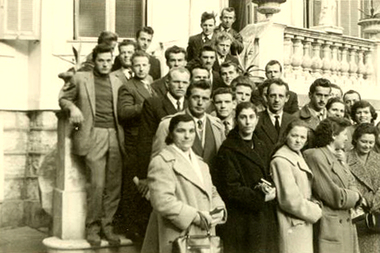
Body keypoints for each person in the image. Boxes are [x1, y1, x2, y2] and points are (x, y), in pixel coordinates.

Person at [59, 44, 124, 246]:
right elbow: (63, 98)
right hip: (93, 134)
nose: (105, 64)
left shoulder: (118, 79)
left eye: (108, 60)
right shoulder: (81, 78)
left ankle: (108, 227)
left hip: (115, 134)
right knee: (97, 184)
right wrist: (73, 108)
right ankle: (93, 229)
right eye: (101, 60)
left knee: (114, 186)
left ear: (113, 60)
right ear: (94, 61)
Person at [141, 114, 227, 253]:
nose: (187, 136)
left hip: (203, 234)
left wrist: (219, 207)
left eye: (191, 131)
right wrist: (196, 216)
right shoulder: (162, 161)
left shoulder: (200, 163)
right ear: (171, 134)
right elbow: (163, 202)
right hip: (178, 235)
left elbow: (211, 190)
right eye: (181, 131)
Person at [213, 102, 278, 253]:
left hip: (262, 215)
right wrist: (260, 197)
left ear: (257, 119)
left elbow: (268, 173)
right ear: (236, 120)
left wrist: (268, 187)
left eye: (251, 117)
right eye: (243, 117)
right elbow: (230, 189)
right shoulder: (228, 149)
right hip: (242, 219)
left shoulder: (261, 144)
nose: (248, 122)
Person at [304, 117, 362, 253]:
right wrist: (356, 197)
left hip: (343, 226)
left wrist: (344, 166)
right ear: (333, 135)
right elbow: (334, 196)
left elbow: (351, 183)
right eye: (345, 134)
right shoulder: (316, 156)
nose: (347, 139)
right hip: (331, 227)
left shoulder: (337, 157)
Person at [117, 50, 157, 240]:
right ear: (132, 68)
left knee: (147, 185)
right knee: (133, 185)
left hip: (149, 140)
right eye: (137, 65)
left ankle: (142, 226)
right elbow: (124, 112)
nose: (141, 68)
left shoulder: (150, 85)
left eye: (144, 65)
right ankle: (129, 227)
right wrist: (147, 107)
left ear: (149, 67)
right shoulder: (128, 87)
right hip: (134, 141)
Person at [270, 120, 322, 253]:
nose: (298, 140)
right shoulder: (281, 160)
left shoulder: (296, 155)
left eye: (302, 137)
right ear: (286, 135)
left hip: (301, 221)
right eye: (294, 136)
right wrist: (316, 211)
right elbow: (289, 201)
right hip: (292, 224)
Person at [136, 67, 190, 190]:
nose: (181, 86)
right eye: (176, 82)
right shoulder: (153, 104)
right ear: (167, 83)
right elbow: (145, 139)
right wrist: (143, 175)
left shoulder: (190, 104)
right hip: (163, 163)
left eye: (185, 82)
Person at [151, 80, 225, 166]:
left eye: (205, 98)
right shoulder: (168, 124)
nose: (200, 103)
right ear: (187, 97)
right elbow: (158, 161)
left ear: (210, 101)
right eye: (195, 97)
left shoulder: (217, 125)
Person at [347, 123, 380, 253]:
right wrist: (360, 200)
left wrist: (371, 200)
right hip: (355, 215)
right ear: (355, 139)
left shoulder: (378, 159)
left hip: (376, 217)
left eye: (371, 142)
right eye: (364, 141)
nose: (367, 146)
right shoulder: (344, 158)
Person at [255, 78, 296, 154]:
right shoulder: (257, 119)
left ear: (287, 98)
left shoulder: (293, 121)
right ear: (267, 97)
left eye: (281, 96)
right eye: (273, 96)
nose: (277, 100)